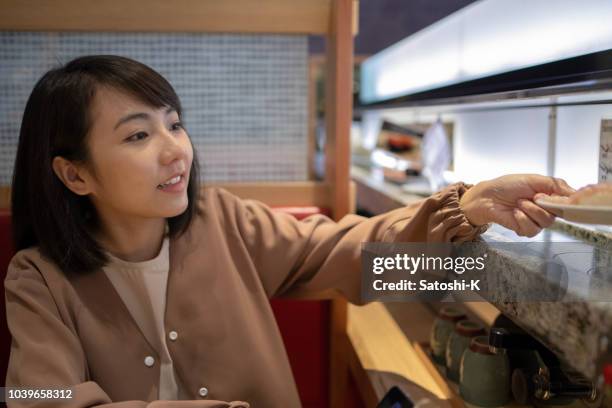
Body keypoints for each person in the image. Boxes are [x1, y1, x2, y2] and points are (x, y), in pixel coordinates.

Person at [4, 55, 575, 408]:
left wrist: (468, 208)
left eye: (174, 124)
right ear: (74, 173)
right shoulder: (39, 278)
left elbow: (361, 258)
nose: (175, 149)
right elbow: (33, 395)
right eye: (137, 136)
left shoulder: (225, 223)